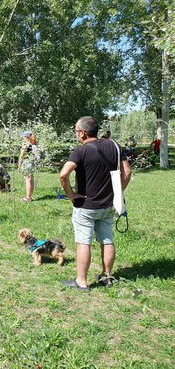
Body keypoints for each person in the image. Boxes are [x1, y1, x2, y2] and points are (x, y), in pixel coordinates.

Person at [59, 116, 131, 290]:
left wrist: (70, 195)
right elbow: (127, 171)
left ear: (83, 133)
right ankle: (107, 278)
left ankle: (81, 282)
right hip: (108, 205)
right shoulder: (114, 146)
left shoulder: (80, 151)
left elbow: (63, 174)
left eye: (76, 131)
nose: (76, 134)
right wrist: (118, 192)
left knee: (84, 241)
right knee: (107, 239)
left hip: (85, 206)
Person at [18, 130, 40, 201]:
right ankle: (30, 196)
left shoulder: (26, 145)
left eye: (23, 137)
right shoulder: (35, 144)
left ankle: (28, 197)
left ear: (26, 137)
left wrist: (19, 165)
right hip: (32, 163)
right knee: (31, 180)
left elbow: (21, 156)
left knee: (27, 180)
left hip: (27, 163)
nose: (23, 138)